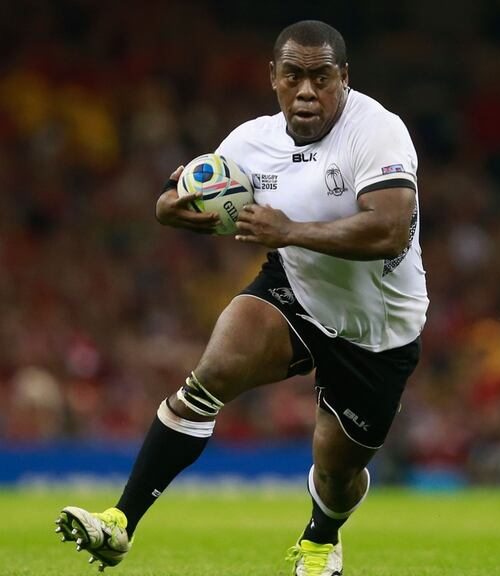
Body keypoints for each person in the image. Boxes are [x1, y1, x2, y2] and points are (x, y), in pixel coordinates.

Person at [54, 20, 427, 576]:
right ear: (273, 78)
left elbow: (390, 230)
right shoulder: (251, 142)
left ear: (344, 78)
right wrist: (169, 208)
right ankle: (120, 522)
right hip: (295, 290)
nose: (307, 91)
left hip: (379, 331)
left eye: (321, 77)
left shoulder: (378, 131)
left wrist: (289, 231)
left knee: (337, 472)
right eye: (293, 76)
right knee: (212, 373)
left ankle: (322, 537)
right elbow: (181, 194)